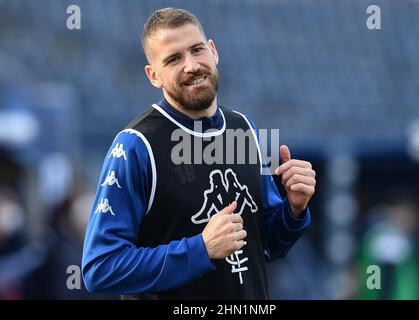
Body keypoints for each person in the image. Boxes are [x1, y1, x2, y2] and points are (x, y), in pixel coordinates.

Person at [82, 7, 316, 300]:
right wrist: (200, 250)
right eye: (173, 59)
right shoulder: (134, 145)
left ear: (213, 51)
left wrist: (295, 209)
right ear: (153, 75)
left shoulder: (246, 129)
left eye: (197, 50)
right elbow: (100, 269)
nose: (191, 65)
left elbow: (268, 245)